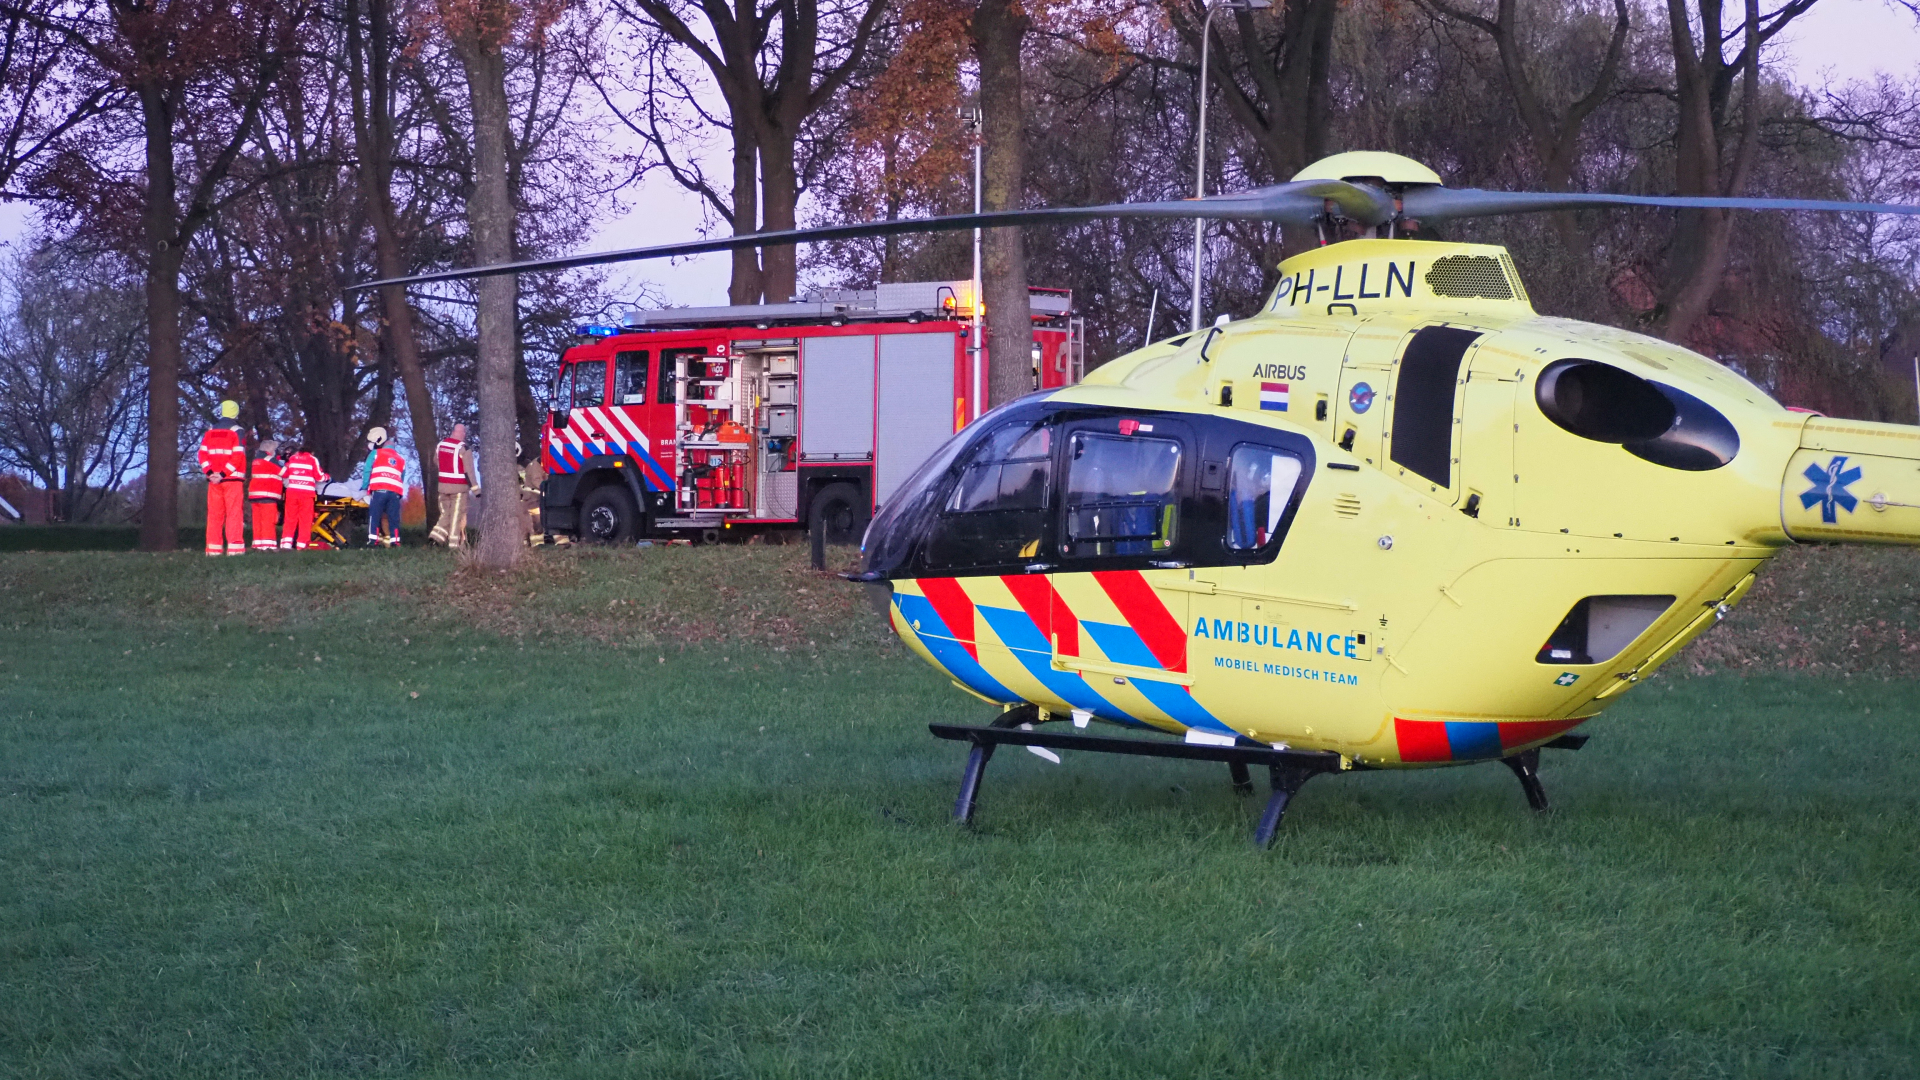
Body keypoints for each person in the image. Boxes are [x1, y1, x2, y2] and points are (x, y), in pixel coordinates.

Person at [196, 400, 247, 556]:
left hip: (214, 480)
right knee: (233, 514)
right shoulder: (238, 431)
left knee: (214, 515)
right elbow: (238, 456)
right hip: (232, 479)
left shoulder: (210, 431)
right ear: (235, 412)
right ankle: (235, 550)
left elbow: (202, 454)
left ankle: (213, 550)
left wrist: (211, 473)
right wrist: (224, 474)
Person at [428, 423, 480, 549]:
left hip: (443, 487)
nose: (464, 435)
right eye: (463, 433)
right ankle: (453, 545)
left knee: (446, 514)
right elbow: (469, 471)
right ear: (460, 433)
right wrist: (476, 489)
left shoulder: (441, 445)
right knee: (456, 515)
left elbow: (436, 461)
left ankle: (436, 538)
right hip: (458, 488)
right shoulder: (463, 448)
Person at [362, 427, 406, 547]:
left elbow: (367, 470)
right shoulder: (400, 459)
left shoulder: (376, 453)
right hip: (395, 492)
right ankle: (395, 541)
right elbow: (401, 477)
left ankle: (373, 541)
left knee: (375, 515)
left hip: (379, 489)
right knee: (393, 518)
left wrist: (365, 486)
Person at [280, 442, 325, 550]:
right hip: (306, 494)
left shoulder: (292, 458)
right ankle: (302, 546)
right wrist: (326, 477)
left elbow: (284, 474)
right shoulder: (312, 459)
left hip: (292, 493)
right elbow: (319, 477)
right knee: (305, 520)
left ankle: (286, 545)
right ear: (311, 452)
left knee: (290, 519)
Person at [246, 439, 283, 551]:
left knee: (257, 521)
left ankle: (257, 545)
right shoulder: (270, 460)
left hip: (255, 495)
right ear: (270, 449)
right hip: (268, 494)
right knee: (268, 520)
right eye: (275, 450)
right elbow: (284, 472)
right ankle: (268, 546)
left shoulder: (256, 460)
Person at [519, 448, 545, 547]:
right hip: (531, 500)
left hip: (533, 499)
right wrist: (548, 488)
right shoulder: (536, 465)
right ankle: (535, 545)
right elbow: (536, 480)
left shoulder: (531, 465)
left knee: (535, 523)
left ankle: (536, 544)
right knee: (535, 522)